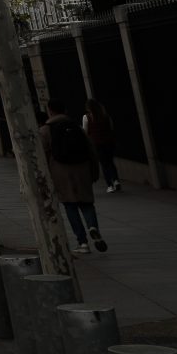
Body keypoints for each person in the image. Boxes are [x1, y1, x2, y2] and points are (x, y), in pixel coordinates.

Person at [41, 99, 107, 255]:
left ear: (50, 110)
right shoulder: (77, 128)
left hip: (60, 171)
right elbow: (91, 150)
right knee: (86, 203)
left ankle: (83, 242)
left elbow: (42, 155)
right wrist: (94, 171)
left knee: (70, 205)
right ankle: (93, 227)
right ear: (65, 110)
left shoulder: (45, 130)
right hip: (82, 169)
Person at [86, 98, 121, 193]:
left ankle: (110, 185)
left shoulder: (87, 117)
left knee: (104, 164)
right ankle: (116, 180)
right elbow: (111, 128)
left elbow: (86, 132)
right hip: (109, 142)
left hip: (97, 144)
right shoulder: (106, 116)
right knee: (110, 162)